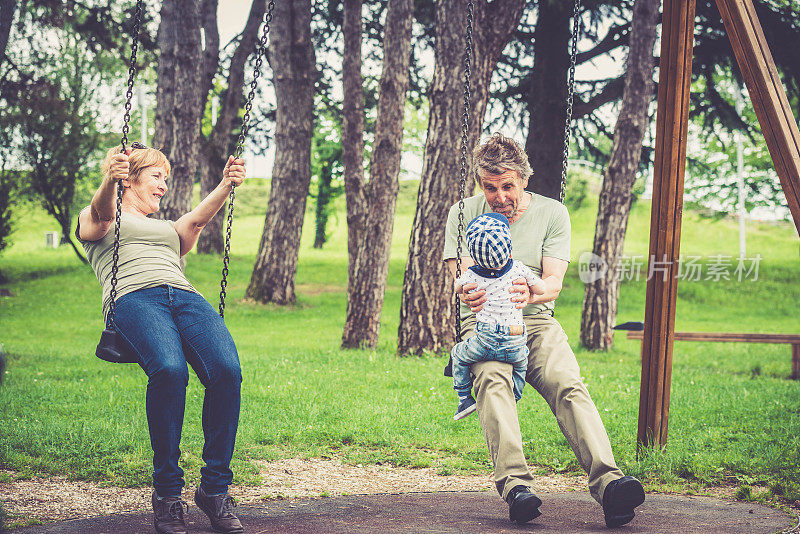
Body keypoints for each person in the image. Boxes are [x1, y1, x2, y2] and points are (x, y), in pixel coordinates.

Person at [443, 133, 645, 528]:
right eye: (489, 187)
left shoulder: (553, 214)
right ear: (479, 182)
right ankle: (516, 487)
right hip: (484, 324)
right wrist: (465, 288)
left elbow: (553, 282)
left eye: (507, 187)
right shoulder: (463, 213)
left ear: (523, 180)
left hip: (535, 319)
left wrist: (532, 289)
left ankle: (610, 484)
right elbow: (461, 273)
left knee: (566, 383)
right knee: (490, 380)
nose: (498, 196)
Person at [77, 143, 246, 534]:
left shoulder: (165, 228)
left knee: (226, 372)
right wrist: (109, 177)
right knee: (170, 372)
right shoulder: (100, 217)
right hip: (134, 297)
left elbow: (195, 223)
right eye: (156, 177)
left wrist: (225, 185)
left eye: (165, 179)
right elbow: (101, 211)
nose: (164, 186)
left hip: (185, 296)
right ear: (129, 179)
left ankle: (214, 491)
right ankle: (168, 495)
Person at [450, 212, 545, 420]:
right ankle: (514, 398)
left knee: (458, 354)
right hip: (516, 340)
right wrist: (531, 286)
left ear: (474, 257)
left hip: (485, 341)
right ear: (509, 249)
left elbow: (457, 286)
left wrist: (461, 287)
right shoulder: (519, 268)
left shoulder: (472, 274)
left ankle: (464, 399)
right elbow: (542, 288)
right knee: (521, 366)